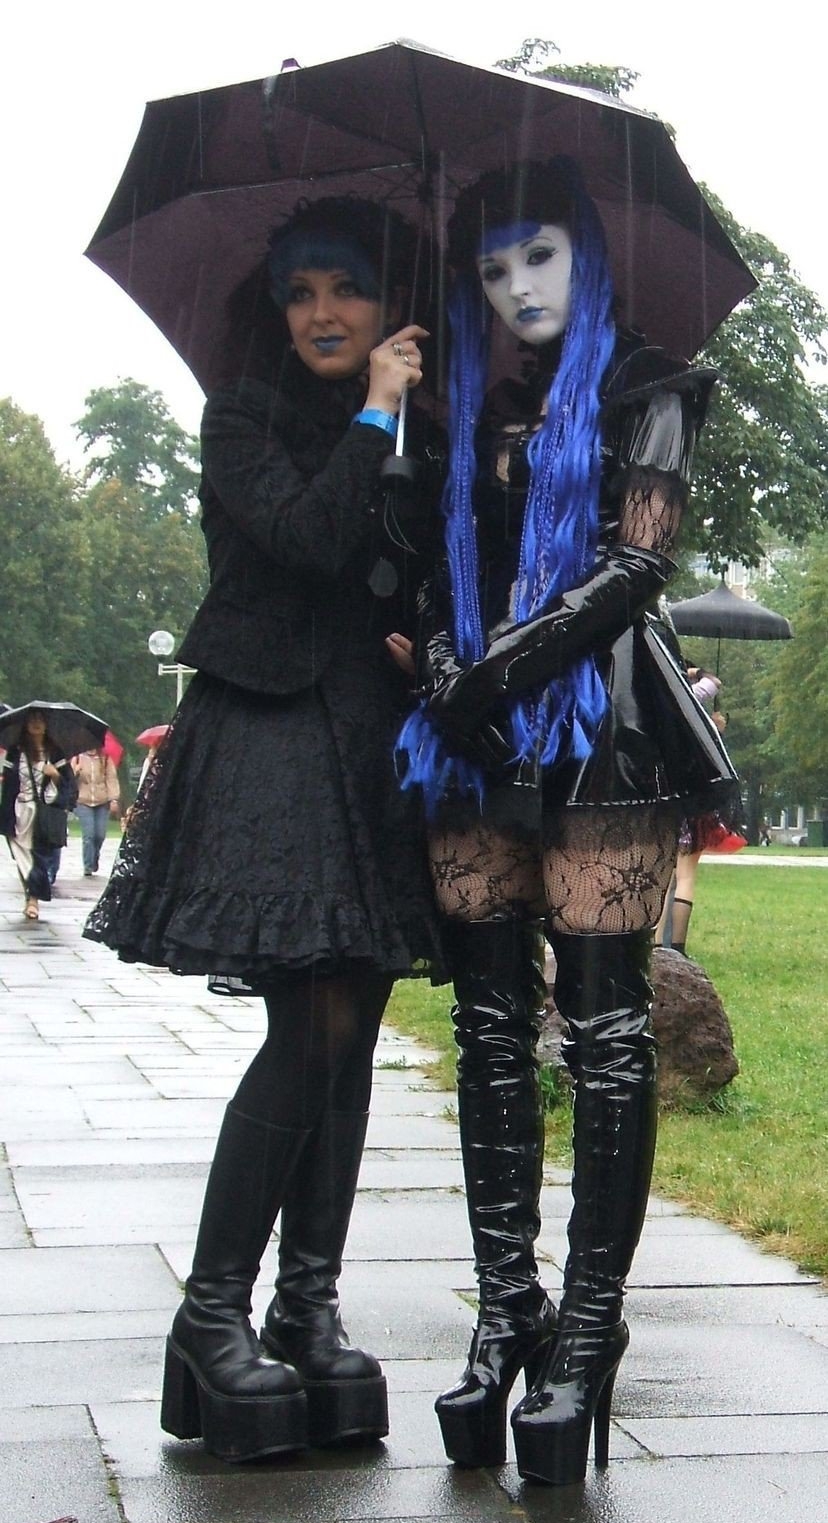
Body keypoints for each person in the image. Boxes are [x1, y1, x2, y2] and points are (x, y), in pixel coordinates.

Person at [396, 159, 739, 1486]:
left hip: (604, 728)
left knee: (602, 1028)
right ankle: (507, 1311)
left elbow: (638, 560)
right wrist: (444, 660)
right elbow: (433, 555)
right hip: (474, 736)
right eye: (491, 266)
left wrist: (497, 669)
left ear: (584, 258)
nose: (515, 286)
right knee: (487, 1026)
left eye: (537, 257)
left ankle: (587, 1329)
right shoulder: (460, 399)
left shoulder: (646, 379)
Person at [85, 197, 442, 1462]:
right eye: (302, 292)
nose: (325, 313)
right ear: (277, 308)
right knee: (311, 1024)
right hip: (271, 739)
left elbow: (413, 568)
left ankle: (307, 1307)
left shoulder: (416, 424)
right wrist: (376, 419)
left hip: (367, 741)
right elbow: (298, 538)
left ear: (385, 298)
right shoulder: (240, 417)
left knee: (351, 1031)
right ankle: (211, 1313)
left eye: (346, 287)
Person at [655, 668, 732, 955]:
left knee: (661, 877)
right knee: (686, 876)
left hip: (664, 800)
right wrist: (697, 671)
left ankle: (654, 946)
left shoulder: (657, 706)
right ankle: (678, 947)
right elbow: (714, 681)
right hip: (695, 803)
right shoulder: (697, 708)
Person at [0, 708, 77, 919]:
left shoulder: (55, 752)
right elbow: (8, 786)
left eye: (40, 720)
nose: (36, 724)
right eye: (32, 720)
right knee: (22, 857)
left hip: (44, 812)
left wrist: (55, 776)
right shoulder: (16, 751)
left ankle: (34, 899)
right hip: (18, 812)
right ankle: (31, 896)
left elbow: (69, 783)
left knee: (39, 857)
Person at [72, 746, 121, 876]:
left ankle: (94, 858)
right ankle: (88, 866)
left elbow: (111, 779)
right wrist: (75, 771)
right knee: (89, 835)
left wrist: (113, 799)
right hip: (83, 801)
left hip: (102, 801)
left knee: (99, 835)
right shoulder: (77, 758)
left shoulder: (105, 758)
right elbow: (69, 779)